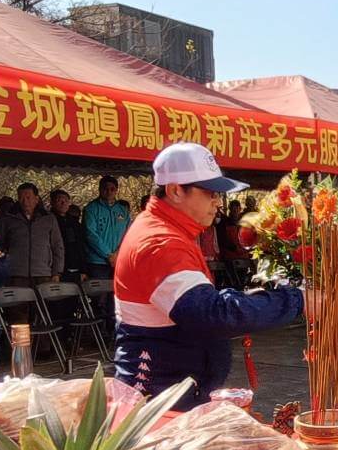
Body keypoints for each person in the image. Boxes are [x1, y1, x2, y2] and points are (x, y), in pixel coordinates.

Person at [113, 143, 302, 409]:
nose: (218, 202)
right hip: (159, 398)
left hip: (176, 388)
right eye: (210, 193)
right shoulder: (159, 242)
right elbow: (212, 314)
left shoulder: (172, 232)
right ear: (175, 190)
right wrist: (296, 300)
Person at [0, 183, 65, 293]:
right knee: (19, 303)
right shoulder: (8, 218)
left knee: (43, 303)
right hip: (16, 274)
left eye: (28, 197)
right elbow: (0, 245)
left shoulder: (48, 218)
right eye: (21, 198)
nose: (25, 201)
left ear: (36, 199)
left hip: (43, 273)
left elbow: (57, 246)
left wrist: (57, 272)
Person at [82, 175, 132, 289]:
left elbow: (129, 234)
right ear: (100, 189)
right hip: (98, 262)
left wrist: (118, 253)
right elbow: (90, 234)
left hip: (119, 260)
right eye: (105, 188)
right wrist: (108, 255)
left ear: (116, 190)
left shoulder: (123, 210)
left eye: (112, 189)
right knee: (100, 296)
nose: (109, 192)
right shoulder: (91, 209)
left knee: (118, 294)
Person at [50, 189, 86, 283]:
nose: (63, 203)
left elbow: (80, 246)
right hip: (56, 268)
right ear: (52, 203)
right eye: (59, 200)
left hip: (75, 267)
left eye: (66, 201)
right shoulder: (47, 221)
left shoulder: (74, 223)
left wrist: (83, 269)